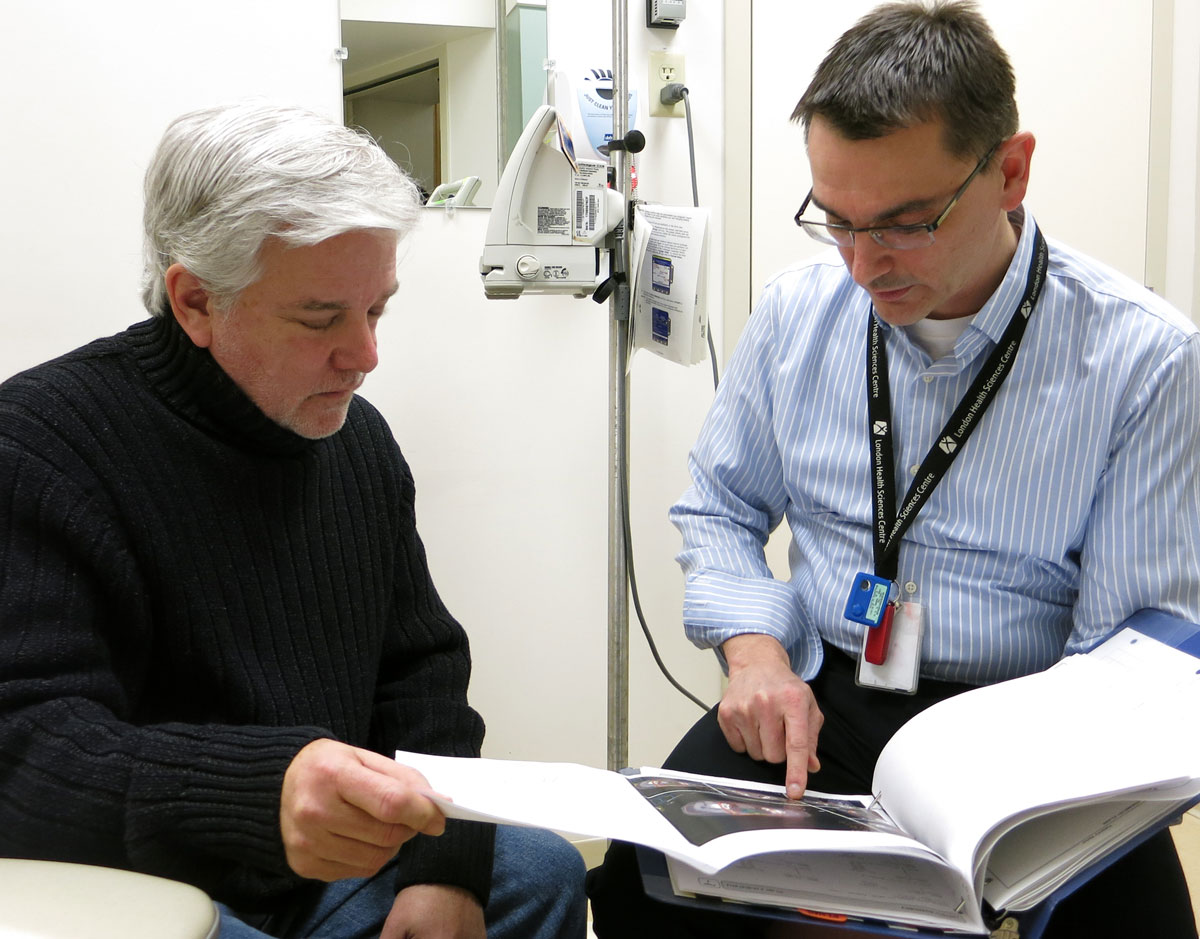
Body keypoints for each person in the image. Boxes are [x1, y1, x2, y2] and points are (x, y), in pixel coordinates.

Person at [587, 3, 1200, 937]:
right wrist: (753, 654)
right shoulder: (799, 314)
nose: (864, 264)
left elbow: (1124, 657)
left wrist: (1004, 792)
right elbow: (719, 506)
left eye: (906, 224)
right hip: (824, 699)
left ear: (1010, 170)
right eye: (836, 220)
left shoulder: (1144, 361)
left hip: (1033, 737)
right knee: (641, 885)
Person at [0, 101, 586, 939]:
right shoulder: (41, 446)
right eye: (322, 319)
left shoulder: (356, 443)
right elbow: (23, 748)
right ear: (196, 302)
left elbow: (421, 672)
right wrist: (258, 793)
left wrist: (443, 871)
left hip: (315, 873)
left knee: (538, 873)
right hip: (139, 882)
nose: (366, 356)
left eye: (377, 309)